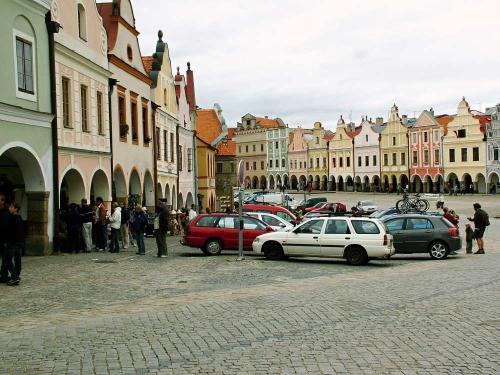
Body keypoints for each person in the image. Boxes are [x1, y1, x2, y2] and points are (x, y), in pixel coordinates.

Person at [5, 203, 23, 286]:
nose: (10, 208)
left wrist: (6, 241)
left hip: (12, 243)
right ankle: (16, 276)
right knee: (17, 260)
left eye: (11, 207)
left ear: (15, 209)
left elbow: (8, 231)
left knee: (8, 259)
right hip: (19, 242)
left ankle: (14, 277)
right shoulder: (20, 218)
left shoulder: (11, 218)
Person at [0, 193, 10, 283]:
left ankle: (4, 275)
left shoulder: (6, 213)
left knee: (5, 259)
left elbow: (8, 227)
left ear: (2, 201)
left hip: (4, 239)